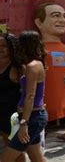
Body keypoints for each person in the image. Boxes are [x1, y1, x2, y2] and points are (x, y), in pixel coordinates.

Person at [2, 31, 48, 162]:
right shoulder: (34, 64)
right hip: (33, 116)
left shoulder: (32, 66)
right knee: (37, 158)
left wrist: (24, 124)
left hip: (32, 118)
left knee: (5, 159)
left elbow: (30, 96)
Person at [34, 3, 65, 123]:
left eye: (64, 16)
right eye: (55, 15)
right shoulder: (37, 49)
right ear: (39, 23)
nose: (62, 20)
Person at [0, 33, 24, 162]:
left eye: (4, 46)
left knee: (16, 151)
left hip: (13, 117)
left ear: (11, 48)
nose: (0, 48)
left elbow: (28, 91)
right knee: (7, 145)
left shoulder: (17, 68)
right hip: (1, 115)